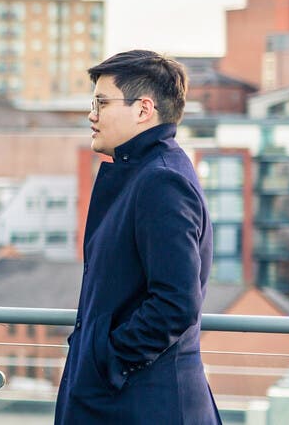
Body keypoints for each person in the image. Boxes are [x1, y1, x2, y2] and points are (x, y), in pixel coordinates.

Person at [54, 50, 219, 424]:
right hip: (126, 397)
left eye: (101, 102)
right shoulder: (145, 172)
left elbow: (176, 303)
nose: (91, 115)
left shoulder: (162, 180)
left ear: (143, 109)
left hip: (143, 402)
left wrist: (106, 358)